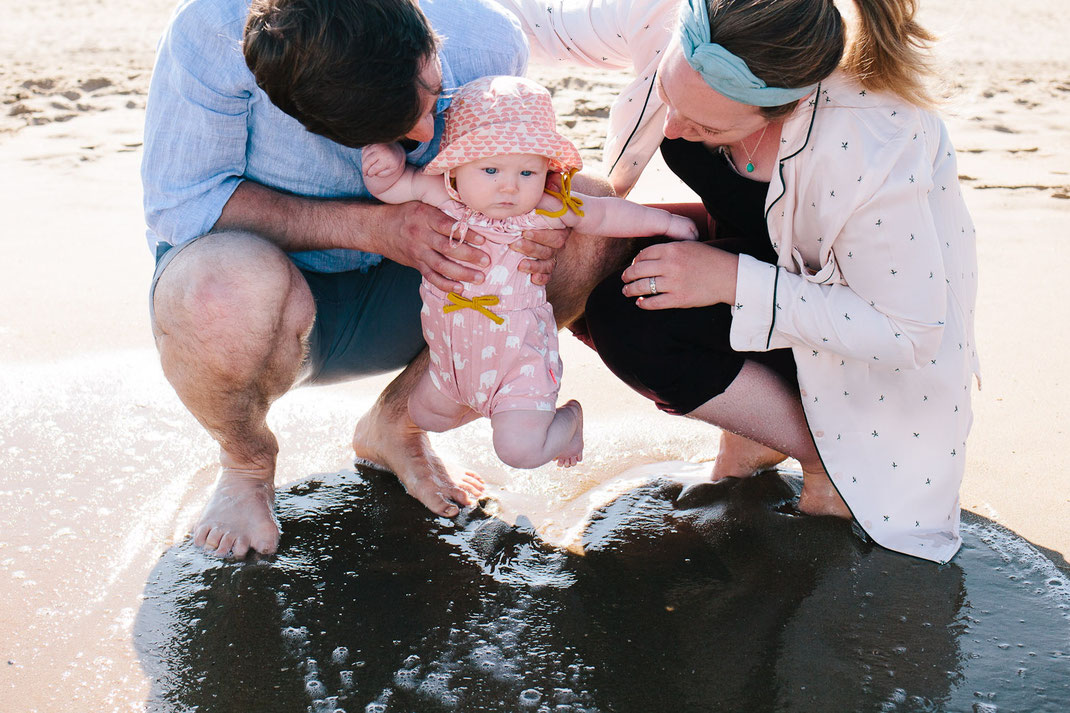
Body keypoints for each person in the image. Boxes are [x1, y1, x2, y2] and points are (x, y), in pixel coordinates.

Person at [141, 0, 631, 558]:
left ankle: (396, 427)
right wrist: (376, 227)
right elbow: (185, 206)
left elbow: (518, 170)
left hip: (427, 292)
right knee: (213, 291)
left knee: (585, 212)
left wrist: (533, 217)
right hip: (268, 304)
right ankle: (246, 464)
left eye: (432, 98)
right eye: (396, 130)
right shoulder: (212, 29)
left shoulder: (485, 32)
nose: (426, 130)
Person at [555, 0, 976, 564]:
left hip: (861, 341)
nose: (674, 128)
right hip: (764, 267)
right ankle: (757, 430)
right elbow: (539, 22)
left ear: (789, 106)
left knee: (629, 322)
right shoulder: (685, 33)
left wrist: (732, 279)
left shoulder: (869, 141)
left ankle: (827, 455)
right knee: (569, 242)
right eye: (670, 100)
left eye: (706, 128)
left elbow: (909, 331)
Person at [361, 76, 697, 470]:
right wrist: (382, 170)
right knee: (426, 415)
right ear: (455, 169)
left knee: (520, 451)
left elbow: (606, 213)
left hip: (518, 360)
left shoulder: (544, 210)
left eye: (527, 173)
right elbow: (398, 186)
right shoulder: (443, 197)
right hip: (452, 363)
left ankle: (568, 420)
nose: (509, 188)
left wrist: (667, 222)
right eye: (490, 170)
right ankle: (486, 407)